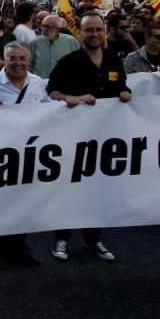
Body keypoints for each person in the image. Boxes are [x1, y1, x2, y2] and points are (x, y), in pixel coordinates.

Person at [46, 13, 131, 263]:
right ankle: (62, 236)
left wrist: (126, 92)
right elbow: (52, 92)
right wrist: (69, 98)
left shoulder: (114, 59)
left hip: (106, 137)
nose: (94, 34)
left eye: (98, 29)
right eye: (88, 30)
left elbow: (122, 86)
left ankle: (93, 238)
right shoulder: (69, 62)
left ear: (104, 31)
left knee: (98, 188)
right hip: (74, 138)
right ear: (79, 34)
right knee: (70, 188)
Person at [0, 41, 56, 268]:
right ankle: (2, 249)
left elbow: (49, 110)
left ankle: (22, 247)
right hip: (2, 154)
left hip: (31, 152)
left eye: (22, 59)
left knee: (25, 202)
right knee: (2, 203)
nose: (18, 63)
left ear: (29, 61)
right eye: (13, 59)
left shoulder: (38, 84)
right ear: (5, 60)